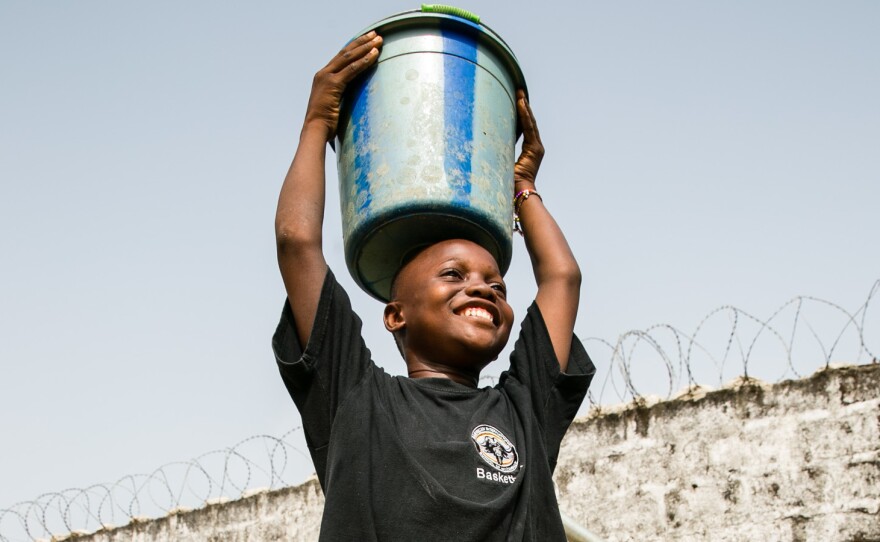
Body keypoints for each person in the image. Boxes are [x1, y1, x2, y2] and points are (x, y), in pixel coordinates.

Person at [272, 31, 595, 541]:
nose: (485, 289)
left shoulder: (524, 409)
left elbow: (562, 277)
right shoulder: (357, 401)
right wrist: (316, 124)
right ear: (395, 314)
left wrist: (521, 187)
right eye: (454, 275)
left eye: (497, 284)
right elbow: (296, 242)